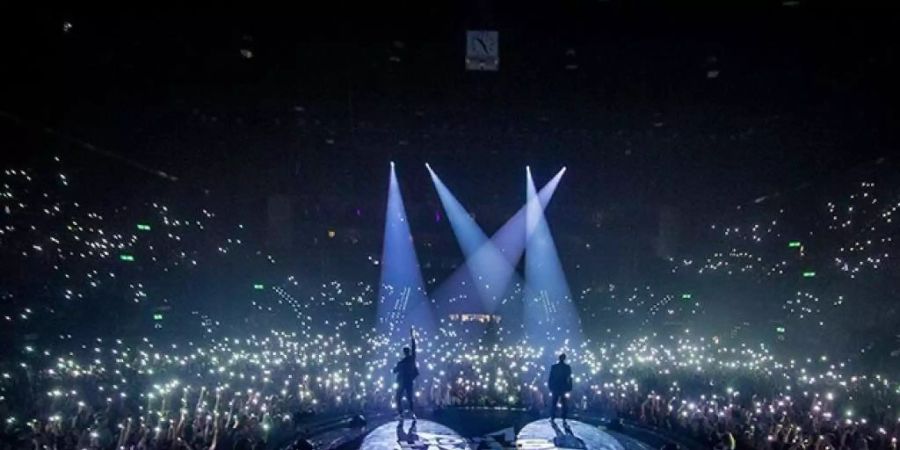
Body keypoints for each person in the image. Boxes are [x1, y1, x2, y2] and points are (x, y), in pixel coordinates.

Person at [392, 327, 419, 419]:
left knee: (399, 397)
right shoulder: (409, 360)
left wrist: (413, 338)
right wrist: (413, 338)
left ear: (404, 352)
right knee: (408, 397)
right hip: (407, 381)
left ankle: (402, 413)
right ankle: (410, 413)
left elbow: (394, 371)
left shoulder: (405, 361)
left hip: (403, 381)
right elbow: (414, 348)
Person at [548, 353, 572, 422]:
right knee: (564, 403)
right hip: (563, 388)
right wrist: (570, 387)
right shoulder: (567, 367)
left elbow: (551, 377)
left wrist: (550, 386)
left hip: (556, 387)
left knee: (554, 402)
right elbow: (569, 378)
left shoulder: (554, 367)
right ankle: (564, 417)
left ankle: (553, 416)